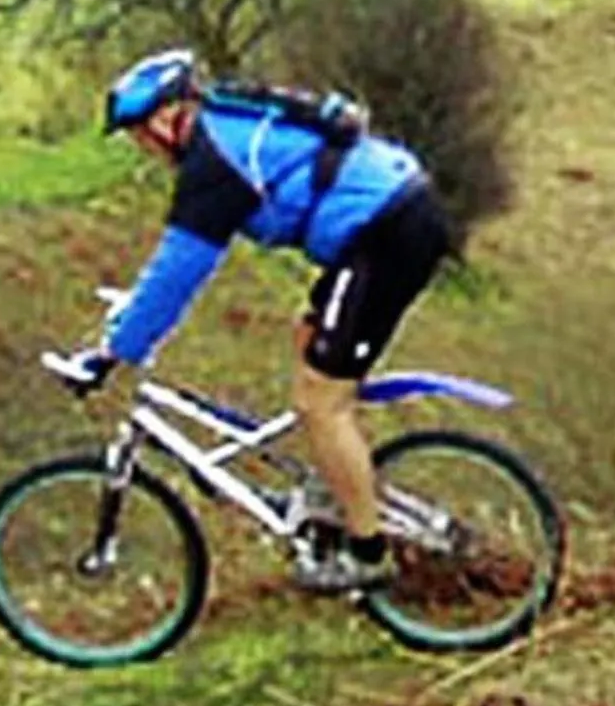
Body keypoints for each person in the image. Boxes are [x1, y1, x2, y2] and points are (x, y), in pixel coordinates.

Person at [61, 48, 459, 594]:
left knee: (321, 402)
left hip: (387, 237)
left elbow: (179, 271)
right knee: (309, 344)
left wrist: (114, 353)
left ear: (166, 119)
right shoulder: (226, 129)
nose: (143, 149)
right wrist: (132, 314)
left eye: (138, 135)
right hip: (380, 230)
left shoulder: (213, 162)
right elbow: (170, 270)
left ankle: (367, 555)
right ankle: (333, 491)